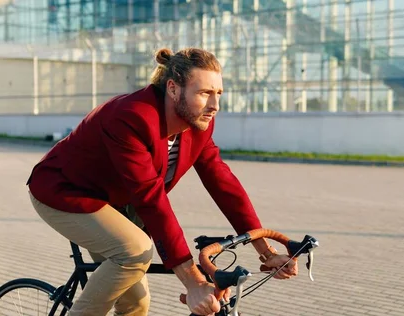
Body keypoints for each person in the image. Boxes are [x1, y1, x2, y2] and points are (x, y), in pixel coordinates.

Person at [26, 47, 298, 316]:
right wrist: (193, 282)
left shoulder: (198, 122)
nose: (215, 105)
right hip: (65, 192)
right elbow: (151, 198)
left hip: (116, 199)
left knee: (136, 304)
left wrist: (266, 251)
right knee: (135, 252)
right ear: (172, 88)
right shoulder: (131, 116)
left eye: (218, 94)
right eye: (204, 93)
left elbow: (223, 183)